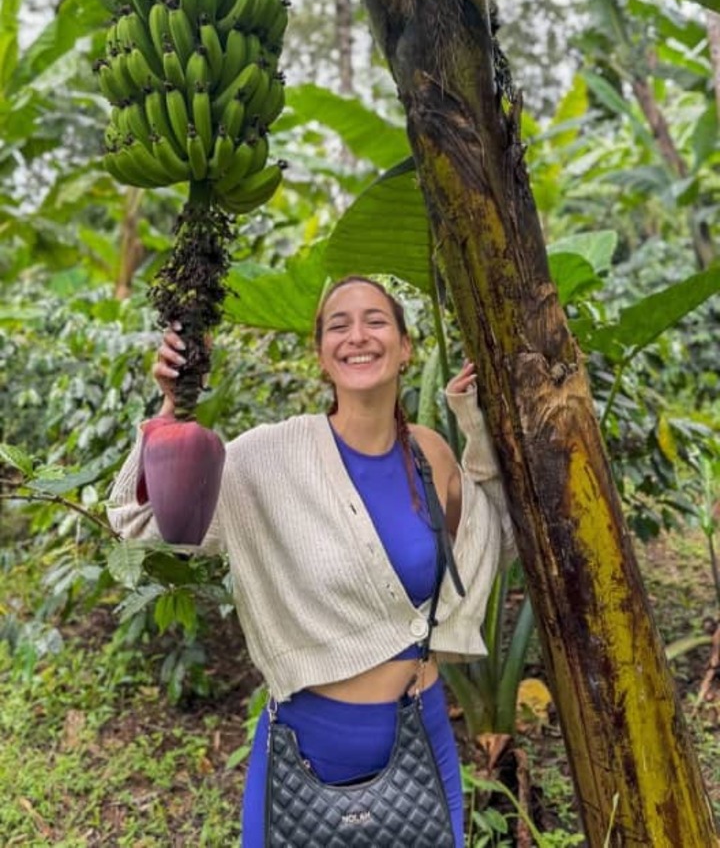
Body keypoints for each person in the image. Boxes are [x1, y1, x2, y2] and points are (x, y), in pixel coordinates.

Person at [107, 275, 515, 846]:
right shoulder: (267, 458)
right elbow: (140, 524)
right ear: (321, 355)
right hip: (309, 746)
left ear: (405, 347)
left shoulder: (430, 454)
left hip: (421, 735)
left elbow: (491, 539)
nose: (357, 336)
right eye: (338, 325)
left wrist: (473, 423)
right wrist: (172, 410)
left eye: (376, 321)